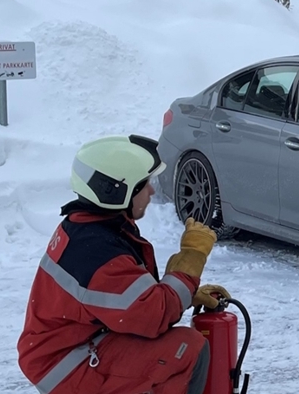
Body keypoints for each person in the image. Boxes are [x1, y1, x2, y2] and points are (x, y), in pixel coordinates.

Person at [18, 134, 230, 394]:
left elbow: (128, 300)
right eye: (144, 185)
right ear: (119, 192)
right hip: (66, 366)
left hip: (74, 344)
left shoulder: (90, 226)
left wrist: (187, 295)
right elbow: (153, 317)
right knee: (185, 348)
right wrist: (192, 257)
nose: (151, 191)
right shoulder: (99, 252)